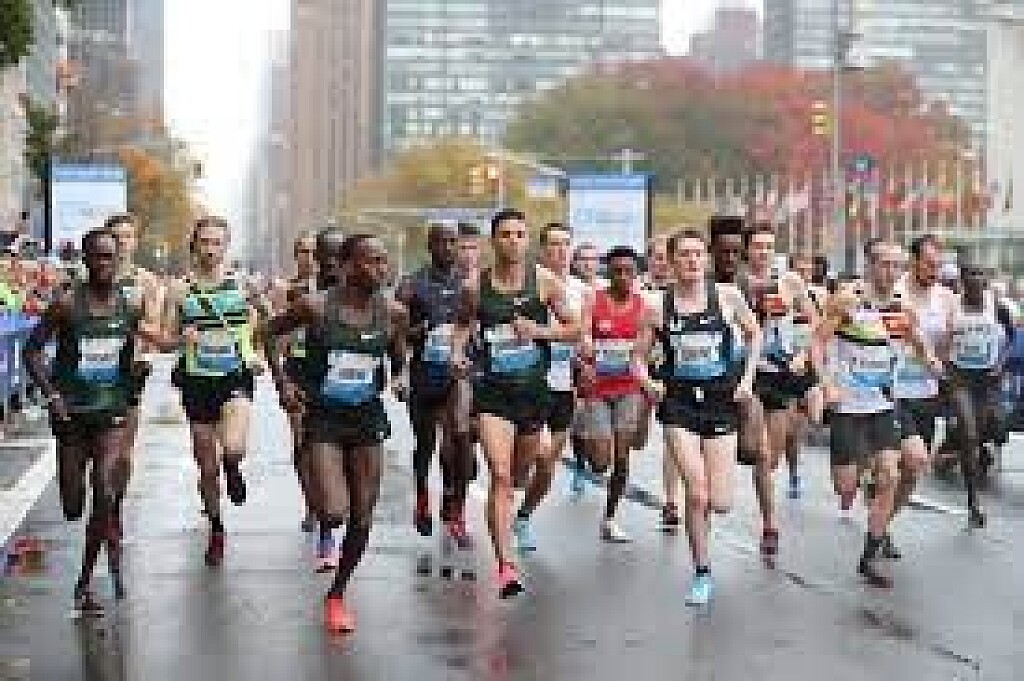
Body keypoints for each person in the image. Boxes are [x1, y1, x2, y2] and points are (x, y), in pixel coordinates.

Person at [268, 232, 409, 633]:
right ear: (347, 266)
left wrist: (400, 377)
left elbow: (398, 357)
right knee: (334, 511)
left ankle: (337, 595)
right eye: (371, 261)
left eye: (383, 261)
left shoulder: (394, 313)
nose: (381, 269)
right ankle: (322, 503)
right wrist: (283, 382)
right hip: (324, 418)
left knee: (362, 518)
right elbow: (268, 331)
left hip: (366, 418)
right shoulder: (315, 307)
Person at [451, 209, 578, 598]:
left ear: (527, 240)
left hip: (533, 395)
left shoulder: (545, 282)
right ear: (494, 240)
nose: (513, 241)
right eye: (505, 234)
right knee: (501, 475)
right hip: (492, 394)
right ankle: (506, 566)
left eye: (520, 234)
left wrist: (538, 330)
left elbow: (575, 329)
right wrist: (456, 353)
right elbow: (462, 325)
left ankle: (513, 516)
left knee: (520, 476)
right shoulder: (475, 286)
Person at [24, 228, 152, 612]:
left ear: (119, 261)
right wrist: (52, 395)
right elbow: (31, 352)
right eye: (97, 256)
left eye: (111, 257)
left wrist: (136, 374)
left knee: (105, 492)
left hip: (111, 413)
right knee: (72, 505)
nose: (105, 264)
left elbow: (126, 360)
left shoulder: (129, 306)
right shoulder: (65, 306)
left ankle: (85, 578)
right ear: (85, 260)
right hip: (72, 416)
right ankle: (97, 544)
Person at [634, 229, 759, 605]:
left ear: (706, 259)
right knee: (697, 492)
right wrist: (648, 383)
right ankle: (702, 571)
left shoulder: (727, 297)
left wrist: (747, 379)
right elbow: (637, 357)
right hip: (679, 404)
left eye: (698, 254)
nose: (692, 260)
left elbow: (755, 335)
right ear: (672, 261)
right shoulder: (658, 307)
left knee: (720, 502)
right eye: (684, 254)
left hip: (721, 401)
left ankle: (703, 530)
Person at [161, 216, 261, 567]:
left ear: (226, 246)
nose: (210, 249)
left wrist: (257, 352)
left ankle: (233, 467)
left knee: (233, 447)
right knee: (206, 466)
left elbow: (265, 324)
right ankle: (217, 528)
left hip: (234, 376)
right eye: (204, 242)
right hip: (197, 380)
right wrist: (180, 338)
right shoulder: (179, 289)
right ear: (194, 245)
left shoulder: (243, 285)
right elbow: (165, 340)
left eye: (217, 243)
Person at [812, 275, 904, 588]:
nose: (890, 271)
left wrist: (929, 356)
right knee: (845, 489)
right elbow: (817, 343)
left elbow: (913, 339)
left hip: (882, 407)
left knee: (890, 474)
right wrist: (826, 383)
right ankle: (863, 481)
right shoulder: (848, 302)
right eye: (885, 264)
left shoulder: (899, 306)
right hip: (847, 408)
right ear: (872, 266)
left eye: (896, 265)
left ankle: (869, 557)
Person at [396, 221, 476, 545]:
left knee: (458, 443)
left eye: (453, 242)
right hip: (424, 375)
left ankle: (455, 510)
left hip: (458, 376)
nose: (448, 248)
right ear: (429, 246)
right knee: (426, 443)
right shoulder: (411, 285)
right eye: (441, 242)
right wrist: (421, 331)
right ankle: (421, 497)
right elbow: (396, 333)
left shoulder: (470, 284)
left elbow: (480, 326)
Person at [513, 222, 588, 544]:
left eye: (566, 244)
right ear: (542, 249)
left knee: (547, 465)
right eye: (554, 244)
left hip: (564, 387)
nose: (560, 250)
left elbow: (585, 335)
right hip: (531, 384)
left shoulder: (583, 291)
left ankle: (523, 517)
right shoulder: (530, 283)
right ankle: (507, 492)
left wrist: (586, 354)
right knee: (534, 459)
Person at [577, 246, 651, 542]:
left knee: (622, 458)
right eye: (616, 271)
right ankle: (580, 435)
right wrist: (585, 353)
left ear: (636, 274)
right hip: (597, 390)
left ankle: (609, 518)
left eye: (628, 271)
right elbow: (583, 335)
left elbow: (644, 349)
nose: (622, 276)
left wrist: (648, 380)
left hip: (628, 389)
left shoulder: (643, 307)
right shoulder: (593, 301)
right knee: (600, 463)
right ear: (607, 272)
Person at [106, 213, 164, 531]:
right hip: (90, 375)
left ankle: (115, 507)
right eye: (115, 236)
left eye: (127, 236)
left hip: (129, 372)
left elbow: (153, 328)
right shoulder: (86, 277)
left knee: (122, 453)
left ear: (135, 242)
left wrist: (137, 340)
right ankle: (101, 497)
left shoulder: (146, 282)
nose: (121, 243)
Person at [942, 263, 1007, 529]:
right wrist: (945, 367)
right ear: (963, 284)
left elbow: (1009, 336)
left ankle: (971, 495)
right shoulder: (953, 306)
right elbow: (943, 342)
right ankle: (973, 502)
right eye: (971, 281)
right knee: (969, 434)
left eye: (981, 281)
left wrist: (1000, 363)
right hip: (960, 377)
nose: (977, 286)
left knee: (976, 438)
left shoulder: (995, 305)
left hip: (985, 380)